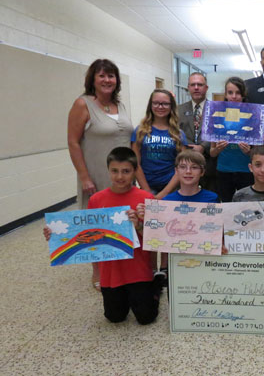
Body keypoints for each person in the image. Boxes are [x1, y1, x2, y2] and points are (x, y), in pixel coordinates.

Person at [44, 147, 159, 325]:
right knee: (114, 317)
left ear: (135, 172)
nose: (120, 176)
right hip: (111, 270)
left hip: (138, 268)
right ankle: (129, 296)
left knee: (146, 318)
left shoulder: (145, 198)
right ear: (108, 170)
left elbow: (155, 238)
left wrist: (139, 225)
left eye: (126, 171)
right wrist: (56, 234)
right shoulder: (97, 199)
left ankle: (154, 288)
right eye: (114, 171)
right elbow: (85, 232)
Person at [67, 58, 133, 291]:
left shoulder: (120, 106)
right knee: (95, 224)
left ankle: (120, 267)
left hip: (124, 175)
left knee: (121, 220)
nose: (107, 80)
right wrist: (84, 176)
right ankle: (98, 271)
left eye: (111, 76)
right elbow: (73, 143)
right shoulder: (83, 104)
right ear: (93, 79)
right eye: (102, 76)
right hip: (96, 175)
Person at [136, 149, 220, 286]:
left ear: (202, 172)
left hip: (204, 261)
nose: (188, 171)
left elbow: (216, 231)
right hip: (175, 263)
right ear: (176, 171)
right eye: (183, 167)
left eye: (194, 168)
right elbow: (157, 237)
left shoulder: (212, 198)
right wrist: (144, 220)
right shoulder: (167, 201)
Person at [131, 89, 187, 199]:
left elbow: (182, 166)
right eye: (156, 103)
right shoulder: (140, 131)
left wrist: (164, 193)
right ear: (150, 105)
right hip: (146, 187)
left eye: (165, 104)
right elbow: (135, 164)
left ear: (171, 106)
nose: (160, 107)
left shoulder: (178, 134)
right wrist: (147, 191)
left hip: (171, 188)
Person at [209, 77, 253, 202]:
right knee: (227, 206)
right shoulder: (217, 116)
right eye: (230, 92)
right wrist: (217, 149)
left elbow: (258, 153)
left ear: (243, 95)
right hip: (224, 170)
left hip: (246, 170)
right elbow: (212, 153)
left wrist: (249, 152)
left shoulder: (253, 116)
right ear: (226, 95)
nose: (234, 96)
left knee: (245, 207)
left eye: (238, 93)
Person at [177, 72, 217, 192]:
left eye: (200, 84)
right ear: (188, 87)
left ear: (206, 87)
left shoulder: (217, 109)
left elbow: (218, 133)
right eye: (192, 84)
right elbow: (175, 132)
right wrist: (187, 148)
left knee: (210, 201)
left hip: (211, 165)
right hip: (186, 164)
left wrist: (203, 147)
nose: (196, 87)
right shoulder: (178, 110)